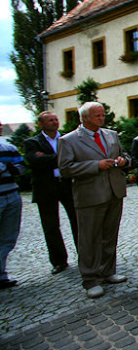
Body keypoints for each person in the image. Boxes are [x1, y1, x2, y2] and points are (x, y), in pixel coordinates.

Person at [58, 102, 130, 299]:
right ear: (85, 118)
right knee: (89, 238)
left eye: (102, 115)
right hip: (90, 195)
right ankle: (90, 279)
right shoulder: (69, 140)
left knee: (110, 234)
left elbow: (124, 155)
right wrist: (95, 165)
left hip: (114, 191)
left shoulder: (111, 135)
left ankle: (108, 271)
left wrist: (124, 161)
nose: (101, 118)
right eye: (97, 115)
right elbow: (65, 168)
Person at [24, 112, 78, 275]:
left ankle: (85, 256)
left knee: (78, 221)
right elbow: (34, 161)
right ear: (41, 124)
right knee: (51, 226)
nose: (55, 122)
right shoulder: (32, 142)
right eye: (51, 120)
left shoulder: (67, 139)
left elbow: (76, 158)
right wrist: (61, 158)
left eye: (56, 119)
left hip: (67, 185)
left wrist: (48, 158)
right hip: (45, 187)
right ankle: (59, 261)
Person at [0, 127, 23, 289]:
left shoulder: (9, 148)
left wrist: (9, 168)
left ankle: (2, 274)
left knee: (9, 237)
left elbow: (21, 167)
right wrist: (7, 167)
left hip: (12, 195)